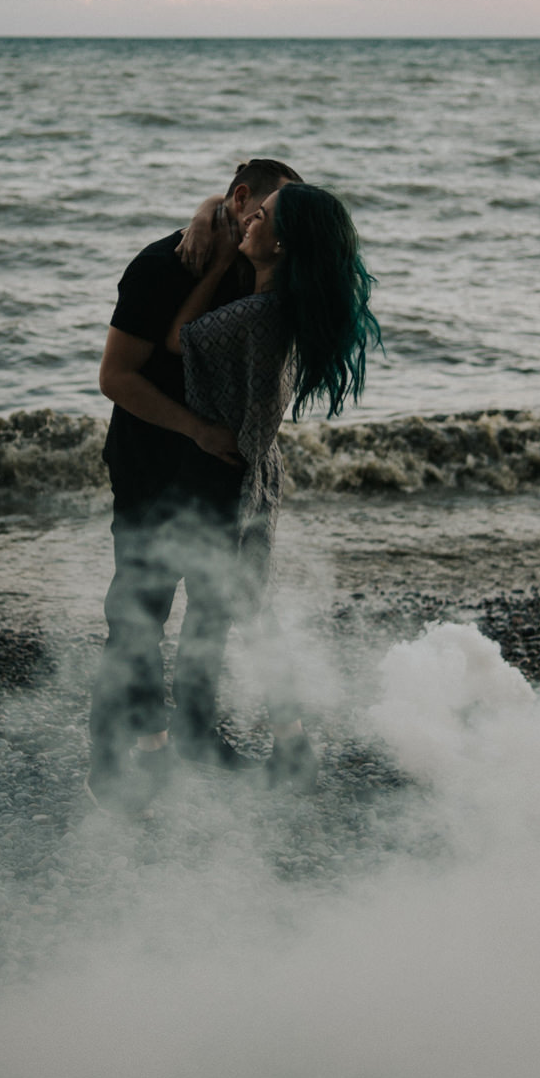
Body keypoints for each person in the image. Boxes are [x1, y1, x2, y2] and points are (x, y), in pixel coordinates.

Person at [88, 159, 302, 814]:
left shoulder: (255, 264)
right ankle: (118, 752)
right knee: (139, 613)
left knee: (212, 611)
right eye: (268, 210)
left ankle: (196, 732)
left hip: (224, 476)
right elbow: (116, 377)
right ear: (242, 199)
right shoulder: (160, 265)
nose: (276, 226)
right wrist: (196, 430)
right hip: (153, 464)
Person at [167, 182, 381, 792]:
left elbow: (180, 338)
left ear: (281, 242)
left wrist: (217, 262)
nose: (247, 222)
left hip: (230, 478)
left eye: (258, 219)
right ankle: (285, 743)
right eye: (249, 211)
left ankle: (205, 741)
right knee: (248, 613)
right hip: (257, 474)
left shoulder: (261, 314)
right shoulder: (285, 306)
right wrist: (209, 212)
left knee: (216, 615)